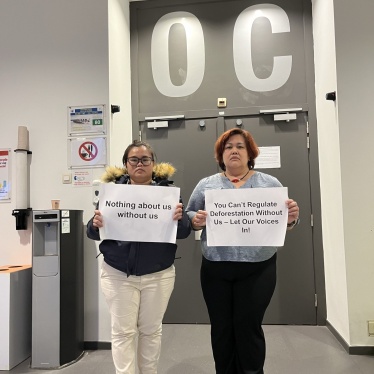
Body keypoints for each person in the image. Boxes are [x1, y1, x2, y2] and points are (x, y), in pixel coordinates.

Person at [186, 128, 299, 374]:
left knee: (249, 327)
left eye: (240, 146)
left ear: (250, 153)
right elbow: (189, 214)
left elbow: (284, 223)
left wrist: (291, 219)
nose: (234, 151)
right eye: (228, 147)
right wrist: (196, 220)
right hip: (216, 267)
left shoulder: (270, 183)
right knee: (222, 328)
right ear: (221, 155)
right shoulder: (207, 184)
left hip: (259, 268)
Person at [86, 140, 191, 374]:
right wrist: (95, 224)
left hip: (158, 274)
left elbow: (183, 232)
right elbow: (92, 231)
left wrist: (180, 218)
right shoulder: (111, 193)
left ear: (153, 164)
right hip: (117, 274)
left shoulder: (168, 194)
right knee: (122, 332)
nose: (140, 163)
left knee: (151, 331)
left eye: (145, 159)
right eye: (134, 159)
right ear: (126, 164)